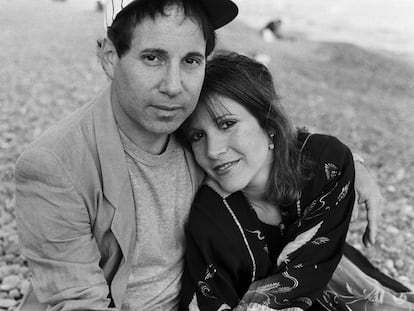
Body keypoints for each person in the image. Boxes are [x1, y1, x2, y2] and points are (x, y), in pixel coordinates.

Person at [14, 0, 384, 310]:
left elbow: (258, 127)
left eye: (190, 60)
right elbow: (78, 302)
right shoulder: (54, 165)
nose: (173, 86)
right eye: (153, 58)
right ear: (110, 58)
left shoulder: (186, 126)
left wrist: (354, 165)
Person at [178, 52, 414, 311]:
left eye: (227, 124)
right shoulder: (210, 219)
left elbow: (309, 266)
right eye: (198, 135)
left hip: (339, 281)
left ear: (268, 122)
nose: (213, 150)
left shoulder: (327, 165)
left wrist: (355, 165)